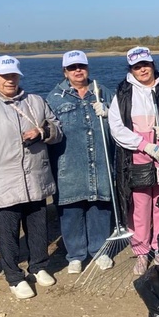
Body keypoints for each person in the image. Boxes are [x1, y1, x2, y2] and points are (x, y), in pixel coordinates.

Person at [0, 56, 63, 300]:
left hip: (35, 176)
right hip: (1, 179)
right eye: (4, 76)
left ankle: (39, 266)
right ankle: (13, 276)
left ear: (19, 76)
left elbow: (57, 129)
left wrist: (43, 132)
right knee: (7, 231)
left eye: (13, 75)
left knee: (37, 225)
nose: (10, 80)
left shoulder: (36, 101)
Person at [108, 47, 159, 275]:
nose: (142, 69)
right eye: (136, 66)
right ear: (131, 69)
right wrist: (145, 145)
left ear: (153, 64)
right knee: (140, 206)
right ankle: (142, 252)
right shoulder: (123, 94)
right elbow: (116, 129)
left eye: (145, 64)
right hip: (138, 157)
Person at [46, 50, 115, 275]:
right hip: (69, 167)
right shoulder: (54, 98)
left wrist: (109, 115)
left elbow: (121, 125)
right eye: (72, 67)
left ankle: (99, 250)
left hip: (101, 164)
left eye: (81, 66)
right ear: (65, 71)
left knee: (100, 207)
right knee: (71, 210)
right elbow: (48, 132)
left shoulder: (104, 92)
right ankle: (75, 255)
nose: (78, 71)